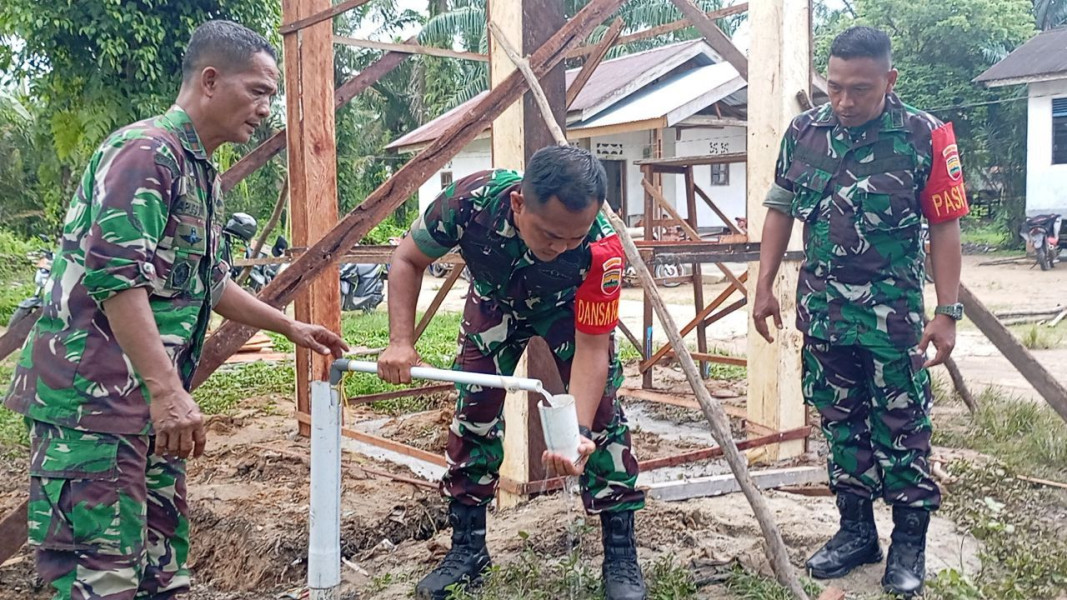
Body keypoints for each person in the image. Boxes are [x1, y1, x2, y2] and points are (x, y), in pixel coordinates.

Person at [3, 20, 348, 600]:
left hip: (149, 409)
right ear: (210, 81)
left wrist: (288, 326)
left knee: (161, 573)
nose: (268, 108)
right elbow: (116, 280)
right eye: (259, 90)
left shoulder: (199, 170)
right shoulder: (145, 153)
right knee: (100, 575)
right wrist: (167, 392)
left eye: (272, 96)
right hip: (94, 408)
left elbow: (207, 283)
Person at [753, 26, 969, 598]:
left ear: (889, 81)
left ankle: (908, 543)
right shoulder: (804, 130)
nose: (844, 102)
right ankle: (856, 532)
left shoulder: (925, 136)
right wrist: (764, 284)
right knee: (839, 422)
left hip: (893, 317)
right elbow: (779, 210)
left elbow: (945, 227)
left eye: (860, 89)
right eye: (835, 87)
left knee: (902, 427)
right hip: (823, 312)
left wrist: (947, 311)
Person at [379, 145, 646, 600]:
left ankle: (620, 555)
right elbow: (406, 259)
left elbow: (592, 349)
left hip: (567, 312)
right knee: (475, 416)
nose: (560, 248)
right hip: (494, 303)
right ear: (519, 204)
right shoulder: (470, 202)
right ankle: (468, 550)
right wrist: (401, 341)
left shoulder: (601, 249)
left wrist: (577, 431)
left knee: (602, 419)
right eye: (550, 235)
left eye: (572, 238)